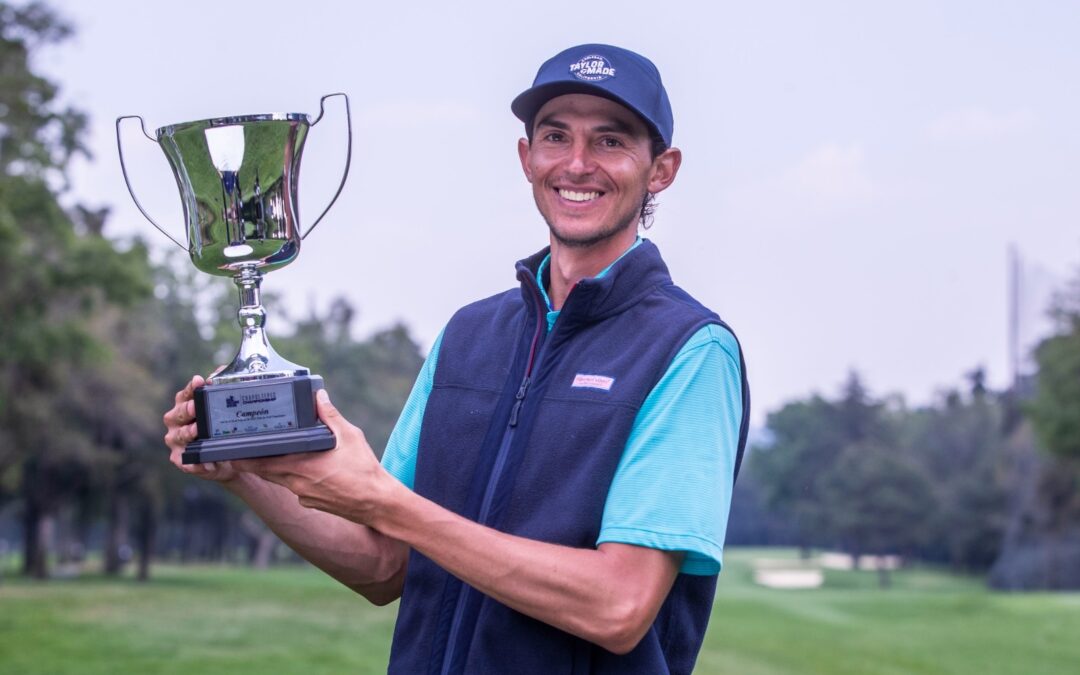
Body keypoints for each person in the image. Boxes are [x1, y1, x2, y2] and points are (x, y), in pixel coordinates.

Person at [163, 43, 749, 674]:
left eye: (610, 142)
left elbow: (619, 605)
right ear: (527, 158)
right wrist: (249, 468)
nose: (578, 164)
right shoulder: (469, 335)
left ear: (661, 169)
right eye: (556, 136)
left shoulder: (691, 351)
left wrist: (387, 503)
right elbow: (384, 563)